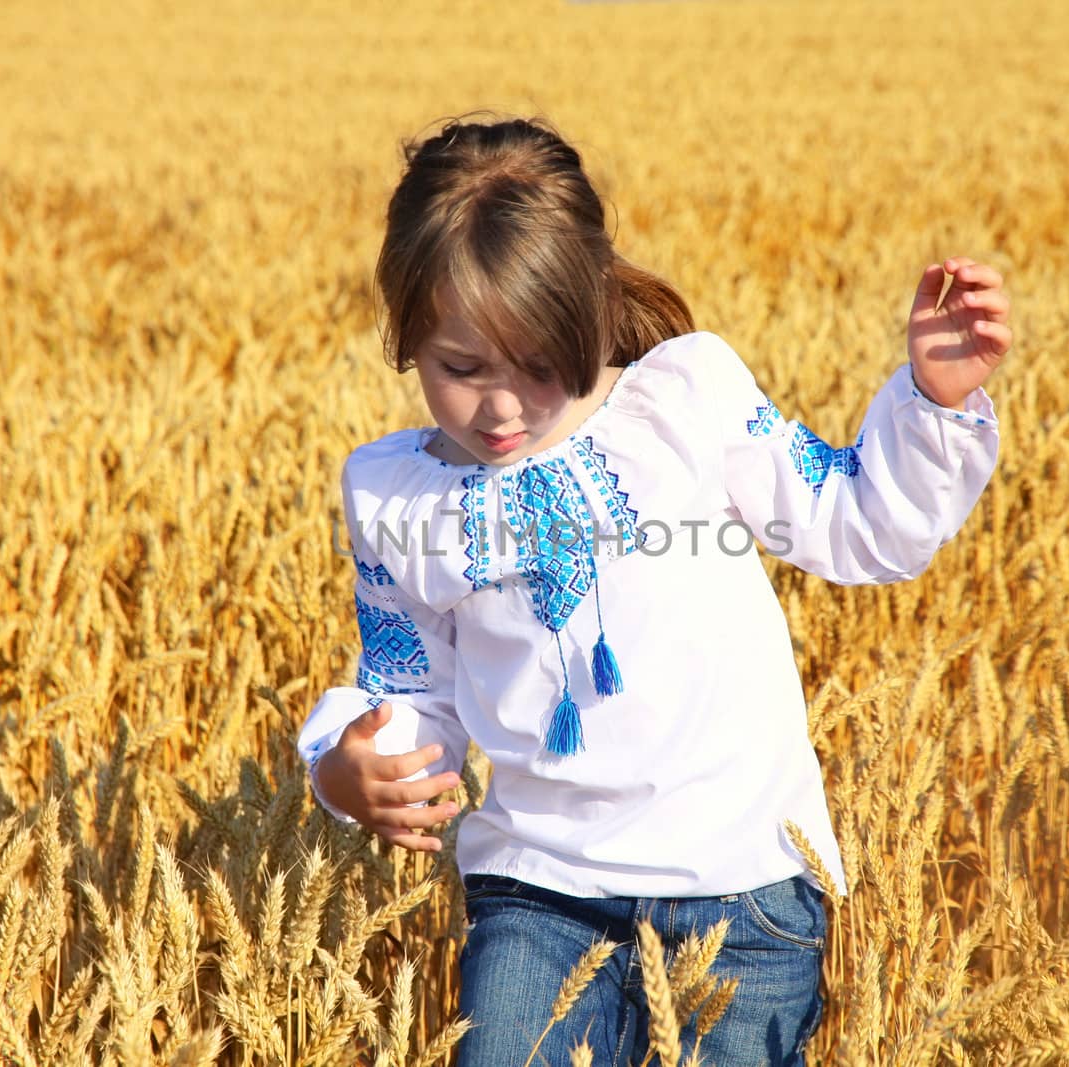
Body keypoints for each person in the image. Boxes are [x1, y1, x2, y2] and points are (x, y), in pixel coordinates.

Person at [297, 115, 1010, 1065]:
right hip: (537, 894)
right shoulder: (393, 494)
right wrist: (347, 767)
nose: (501, 407)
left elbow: (855, 522)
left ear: (590, 309)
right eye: (460, 369)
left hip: (741, 888)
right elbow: (409, 683)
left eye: (539, 365)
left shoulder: (686, 400)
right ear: (404, 336)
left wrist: (934, 401)